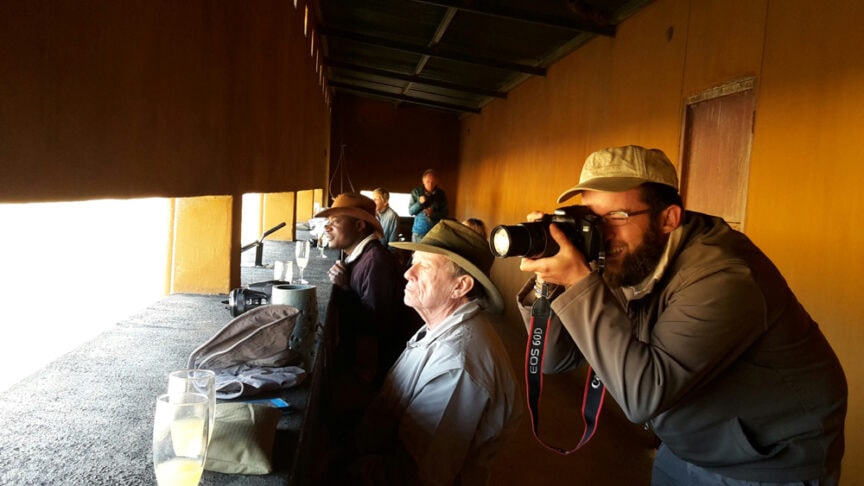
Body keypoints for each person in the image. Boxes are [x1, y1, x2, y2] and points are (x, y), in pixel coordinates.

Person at [518, 145, 847, 485]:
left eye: (616, 216)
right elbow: (553, 360)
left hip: (766, 462)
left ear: (668, 219)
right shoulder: (624, 258)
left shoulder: (725, 275)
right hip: (686, 444)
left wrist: (578, 281)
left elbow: (643, 395)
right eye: (591, 218)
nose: (601, 232)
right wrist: (550, 283)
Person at [349, 220, 522, 485]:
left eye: (425, 266)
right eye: (413, 261)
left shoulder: (457, 365)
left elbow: (413, 477)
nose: (408, 272)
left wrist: (344, 469)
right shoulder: (439, 326)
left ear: (460, 286)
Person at [315, 193, 421, 401]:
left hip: (373, 378)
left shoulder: (375, 262)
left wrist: (345, 289)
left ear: (359, 226)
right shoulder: (361, 257)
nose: (327, 227)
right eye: (328, 222)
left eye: (336, 221)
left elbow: (376, 326)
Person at [409, 169, 448, 242]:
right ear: (423, 181)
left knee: (432, 253)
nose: (430, 184)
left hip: (435, 232)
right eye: (427, 182)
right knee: (417, 253)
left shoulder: (441, 194)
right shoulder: (416, 192)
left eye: (432, 182)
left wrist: (433, 213)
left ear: (436, 182)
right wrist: (419, 203)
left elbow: (445, 213)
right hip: (419, 232)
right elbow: (411, 212)